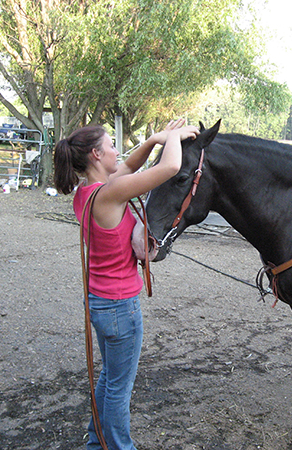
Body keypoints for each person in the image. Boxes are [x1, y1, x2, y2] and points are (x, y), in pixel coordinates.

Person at [53, 119, 199, 450]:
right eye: (111, 146)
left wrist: (153, 140)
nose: (118, 151)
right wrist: (173, 137)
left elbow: (131, 165)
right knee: (119, 387)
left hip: (101, 301)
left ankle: (96, 442)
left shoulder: (88, 192)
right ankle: (119, 446)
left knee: (108, 380)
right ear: (95, 154)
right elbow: (172, 166)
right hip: (120, 306)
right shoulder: (111, 193)